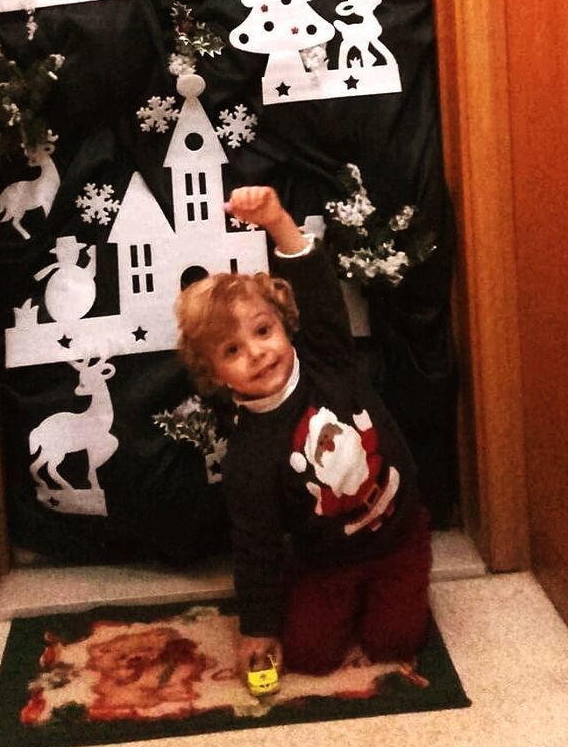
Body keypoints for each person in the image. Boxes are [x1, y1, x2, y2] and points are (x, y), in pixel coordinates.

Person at [176, 185, 431, 680]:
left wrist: (277, 222)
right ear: (214, 374)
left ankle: (388, 581)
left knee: (394, 643)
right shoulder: (248, 457)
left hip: (398, 534)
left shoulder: (327, 360)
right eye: (231, 351)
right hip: (327, 558)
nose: (256, 353)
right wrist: (257, 627)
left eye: (263, 331)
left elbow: (314, 284)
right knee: (310, 659)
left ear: (285, 325)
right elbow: (256, 546)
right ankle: (316, 594)